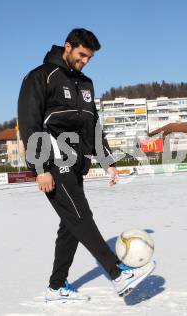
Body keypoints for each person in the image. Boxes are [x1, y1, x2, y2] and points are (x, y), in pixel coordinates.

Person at [18, 28, 155, 302]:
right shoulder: (41, 76)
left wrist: (107, 162)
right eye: (81, 55)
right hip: (53, 159)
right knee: (80, 216)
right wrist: (40, 168)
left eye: (89, 58)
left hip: (76, 162)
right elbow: (29, 121)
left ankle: (56, 287)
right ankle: (118, 274)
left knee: (70, 225)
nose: (85, 61)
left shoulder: (85, 83)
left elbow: (92, 124)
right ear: (67, 47)